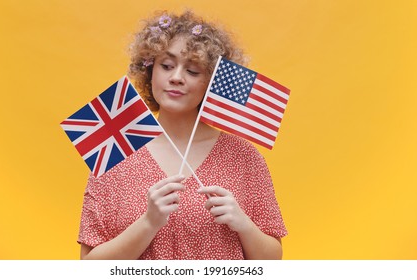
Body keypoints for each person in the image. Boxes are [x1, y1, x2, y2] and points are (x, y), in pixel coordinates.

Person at [78, 10, 287, 260]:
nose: (176, 78)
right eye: (166, 66)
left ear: (211, 82)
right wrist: (148, 223)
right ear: (150, 71)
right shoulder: (116, 149)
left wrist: (244, 225)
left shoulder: (244, 157)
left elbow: (273, 261)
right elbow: (88, 266)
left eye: (193, 71)